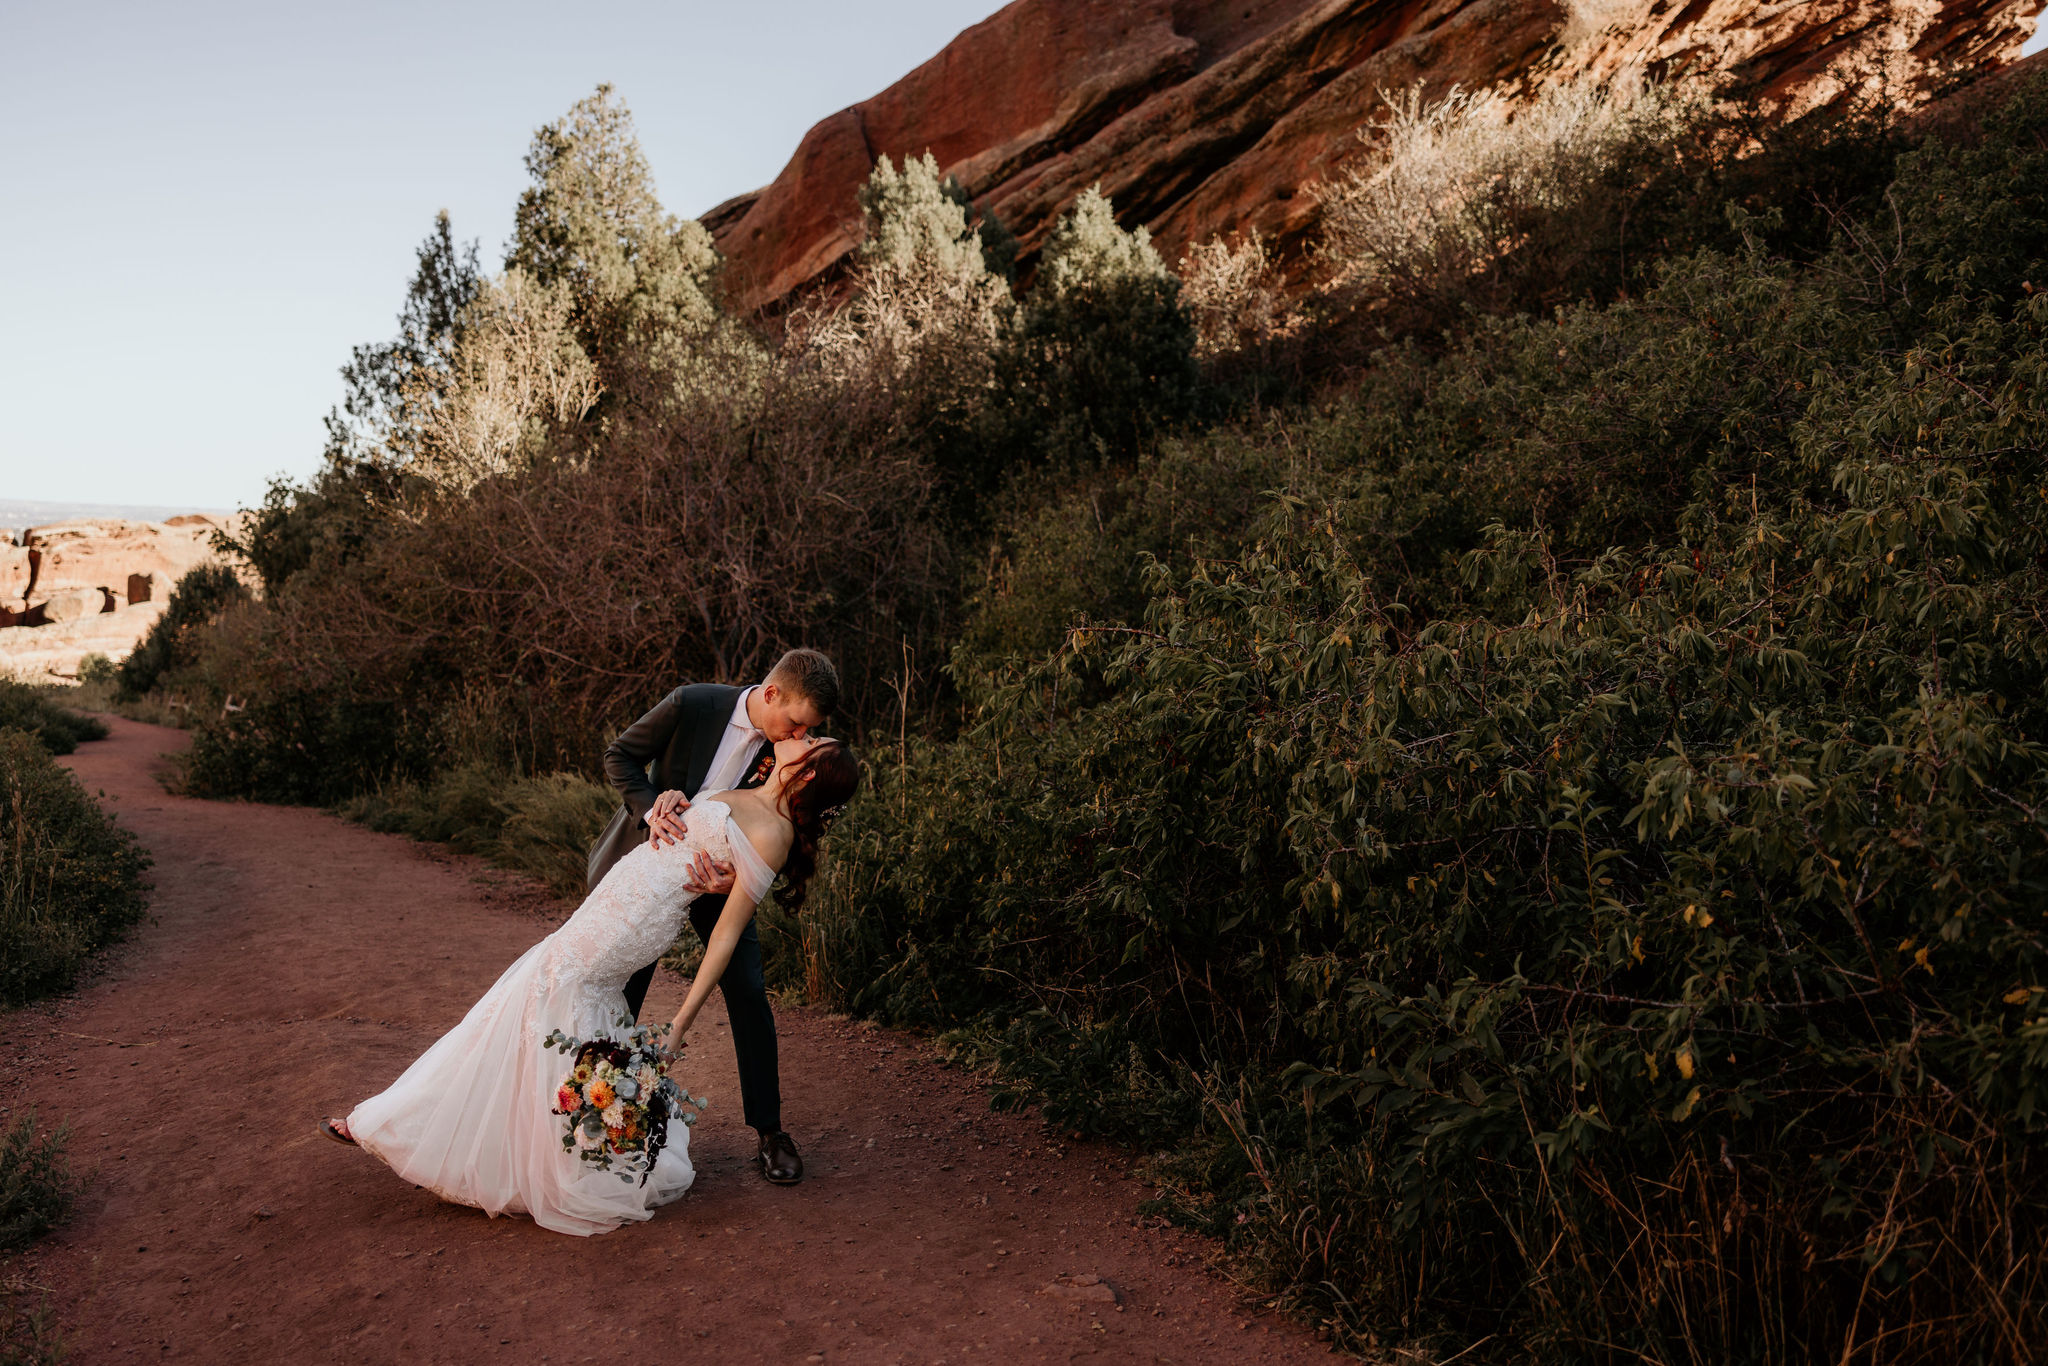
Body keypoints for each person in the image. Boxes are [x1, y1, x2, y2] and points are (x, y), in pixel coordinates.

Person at [319, 730, 860, 1237]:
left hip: (636, 921)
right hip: (616, 895)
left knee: (546, 993)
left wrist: (678, 1025)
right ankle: (494, 1140)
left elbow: (724, 939)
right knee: (545, 1004)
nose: (801, 735)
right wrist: (671, 799)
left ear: (808, 775)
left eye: (812, 741)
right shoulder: (743, 792)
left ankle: (411, 1128)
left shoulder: (775, 832)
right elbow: (691, 834)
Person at [584, 648, 839, 1184]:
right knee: (620, 989)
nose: (797, 735)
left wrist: (739, 875)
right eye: (796, 722)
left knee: (747, 988)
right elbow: (619, 757)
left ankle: (770, 1132)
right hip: (646, 869)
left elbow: (793, 818)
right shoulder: (692, 703)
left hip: (721, 884)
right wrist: (652, 806)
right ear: (773, 694)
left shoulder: (789, 751)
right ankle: (606, 1117)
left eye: (808, 729)